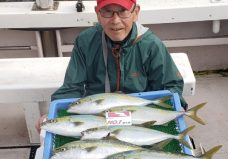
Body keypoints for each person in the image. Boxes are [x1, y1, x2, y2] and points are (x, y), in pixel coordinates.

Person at [36, 0, 187, 132]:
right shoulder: (85, 41)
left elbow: (171, 85)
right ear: (97, 13)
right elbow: (71, 86)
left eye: (123, 12)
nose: (115, 20)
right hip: (96, 116)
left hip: (140, 116)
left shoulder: (151, 45)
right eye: (108, 12)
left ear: (136, 12)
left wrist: (174, 107)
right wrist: (53, 114)